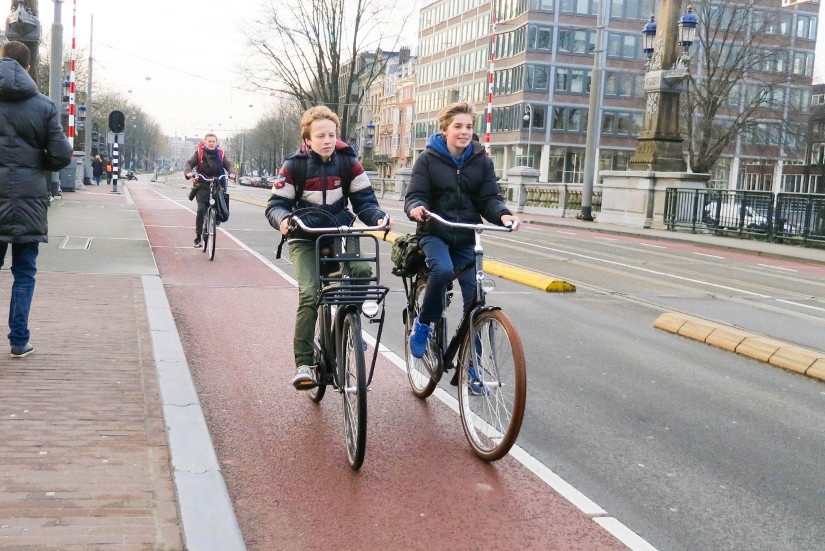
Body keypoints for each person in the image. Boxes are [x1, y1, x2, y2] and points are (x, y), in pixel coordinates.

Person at [265, 105, 392, 389]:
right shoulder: (293, 165)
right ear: (307, 139)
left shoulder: (349, 163)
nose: (327, 140)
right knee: (310, 294)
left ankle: (346, 323)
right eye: (320, 135)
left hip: (339, 231)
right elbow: (275, 205)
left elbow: (365, 202)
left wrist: (379, 217)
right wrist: (284, 221)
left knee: (361, 272)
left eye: (331, 135)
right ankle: (304, 363)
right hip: (305, 235)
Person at [405, 101, 520, 362]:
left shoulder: (481, 162)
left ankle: (472, 361)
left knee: (475, 297)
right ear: (445, 129)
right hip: (434, 231)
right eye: (458, 126)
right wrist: (417, 208)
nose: (464, 131)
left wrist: (503, 215)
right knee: (443, 270)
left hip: (467, 236)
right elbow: (415, 195)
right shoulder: (427, 160)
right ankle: (423, 324)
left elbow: (489, 199)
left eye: (468, 126)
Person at [0, 41, 72, 358]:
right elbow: (61, 154)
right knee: (24, 272)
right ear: (28, 67)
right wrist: (36, 165)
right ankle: (18, 340)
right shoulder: (43, 106)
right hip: (29, 199)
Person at [183, 133, 235, 248]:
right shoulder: (199, 153)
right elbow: (190, 163)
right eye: (209, 141)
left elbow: (228, 164)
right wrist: (188, 172)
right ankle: (198, 237)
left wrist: (232, 173)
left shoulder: (221, 154)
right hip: (202, 184)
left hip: (217, 183)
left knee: (221, 206)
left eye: (213, 141)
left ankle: (216, 219)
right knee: (201, 210)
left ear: (216, 143)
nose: (211, 143)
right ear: (205, 142)